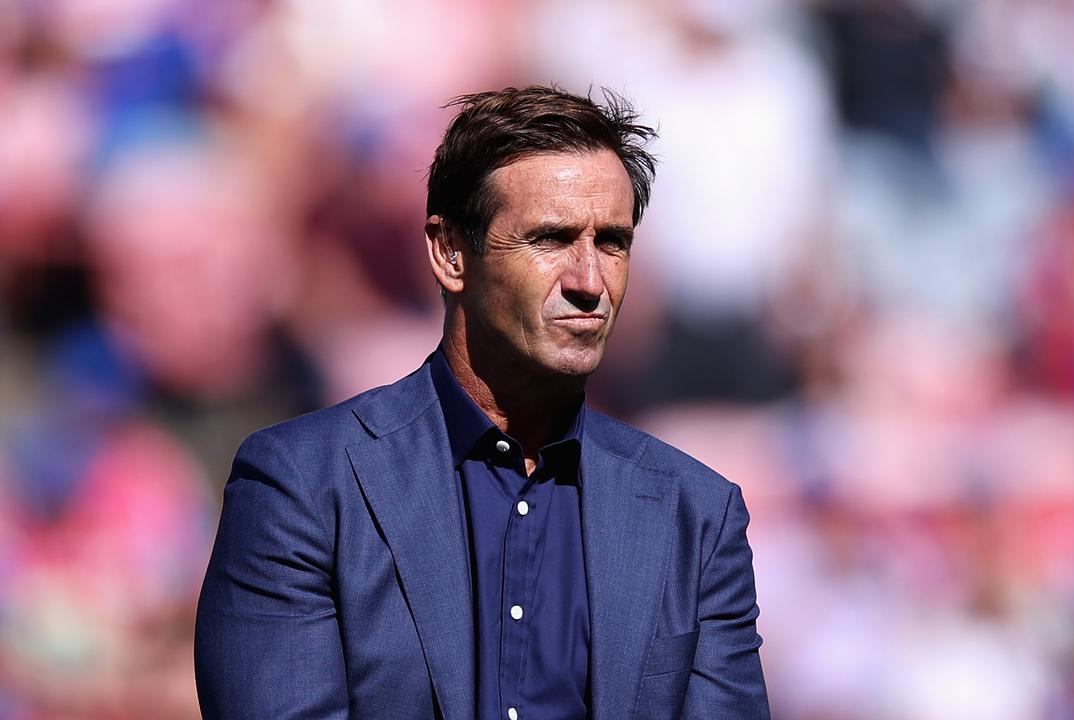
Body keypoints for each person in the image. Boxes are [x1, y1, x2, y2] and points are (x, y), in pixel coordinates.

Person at [194, 86, 770, 720]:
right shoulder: (303, 485)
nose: (589, 281)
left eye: (612, 242)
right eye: (550, 239)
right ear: (449, 253)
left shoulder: (697, 516)